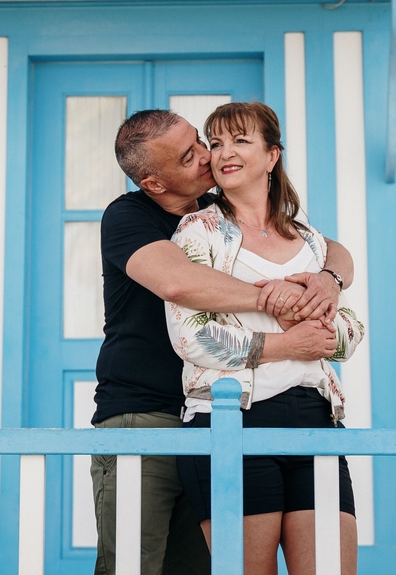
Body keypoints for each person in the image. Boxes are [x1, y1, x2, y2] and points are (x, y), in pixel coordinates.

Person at [93, 108, 356, 575]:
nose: (207, 156)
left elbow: (327, 247)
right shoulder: (131, 217)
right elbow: (178, 284)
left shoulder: (229, 208)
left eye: (202, 141)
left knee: (198, 569)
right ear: (154, 183)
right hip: (147, 415)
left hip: (223, 411)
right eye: (190, 154)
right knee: (133, 566)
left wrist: (330, 278)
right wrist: (282, 299)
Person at [166, 101, 364, 575]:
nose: (224, 153)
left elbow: (349, 335)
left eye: (240, 140)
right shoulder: (198, 230)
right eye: (216, 143)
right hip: (230, 421)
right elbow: (190, 338)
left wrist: (310, 313)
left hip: (315, 420)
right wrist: (284, 345)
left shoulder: (311, 241)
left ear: (273, 155)